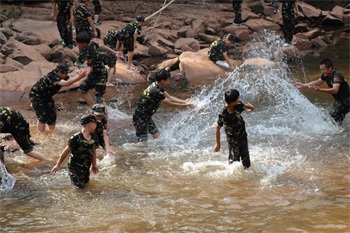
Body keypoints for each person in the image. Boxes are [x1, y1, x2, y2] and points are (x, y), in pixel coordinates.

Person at [132, 69, 196, 142]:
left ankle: (150, 150)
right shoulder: (155, 91)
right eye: (168, 80)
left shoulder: (156, 85)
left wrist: (184, 101)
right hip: (140, 117)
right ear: (162, 80)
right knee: (143, 140)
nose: (169, 81)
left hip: (145, 116)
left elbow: (170, 97)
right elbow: (170, 104)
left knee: (156, 134)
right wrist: (186, 105)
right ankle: (126, 150)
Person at [29, 63, 91, 132]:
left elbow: (70, 79)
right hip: (37, 96)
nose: (66, 75)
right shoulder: (52, 76)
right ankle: (41, 134)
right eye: (65, 73)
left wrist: (82, 75)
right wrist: (80, 76)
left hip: (46, 96)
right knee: (43, 116)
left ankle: (51, 132)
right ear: (59, 72)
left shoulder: (61, 76)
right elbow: (66, 84)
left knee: (52, 115)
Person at [294, 58, 350, 125]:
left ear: (330, 68)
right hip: (340, 101)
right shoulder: (326, 75)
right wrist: (303, 85)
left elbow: (335, 90)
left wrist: (320, 90)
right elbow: (318, 82)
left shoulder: (336, 76)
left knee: (330, 120)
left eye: (323, 70)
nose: (322, 72)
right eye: (321, 70)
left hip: (346, 101)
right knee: (336, 119)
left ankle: (334, 132)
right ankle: (340, 133)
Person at [51, 114, 99, 189]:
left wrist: (94, 164)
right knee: (79, 188)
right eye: (95, 124)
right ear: (90, 124)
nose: (96, 126)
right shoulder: (76, 138)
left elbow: (93, 151)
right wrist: (58, 165)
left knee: (86, 184)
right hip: (75, 166)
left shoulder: (94, 137)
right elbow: (66, 151)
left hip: (86, 166)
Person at [213, 89, 254, 168]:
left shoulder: (238, 105)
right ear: (232, 101)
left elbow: (246, 106)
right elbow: (217, 128)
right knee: (234, 159)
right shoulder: (223, 114)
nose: (239, 100)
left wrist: (251, 108)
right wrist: (218, 144)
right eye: (238, 98)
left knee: (245, 157)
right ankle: (231, 174)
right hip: (232, 138)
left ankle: (247, 174)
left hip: (242, 134)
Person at [75, 31, 119, 106]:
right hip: (93, 74)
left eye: (79, 43)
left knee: (99, 99)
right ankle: (94, 110)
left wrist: (81, 72)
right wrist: (113, 51)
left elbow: (89, 66)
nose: (78, 45)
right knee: (82, 90)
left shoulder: (90, 52)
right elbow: (102, 46)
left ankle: (106, 117)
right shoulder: (91, 43)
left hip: (100, 75)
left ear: (84, 43)